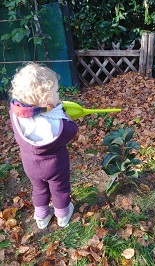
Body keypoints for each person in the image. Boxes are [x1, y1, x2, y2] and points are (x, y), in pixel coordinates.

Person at [9, 63, 78, 229]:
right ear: (43, 100)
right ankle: (62, 215)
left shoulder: (16, 113)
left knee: (39, 188)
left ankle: (41, 217)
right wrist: (62, 114)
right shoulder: (52, 125)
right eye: (56, 92)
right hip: (55, 166)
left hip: (30, 165)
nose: (58, 96)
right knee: (60, 188)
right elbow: (71, 130)